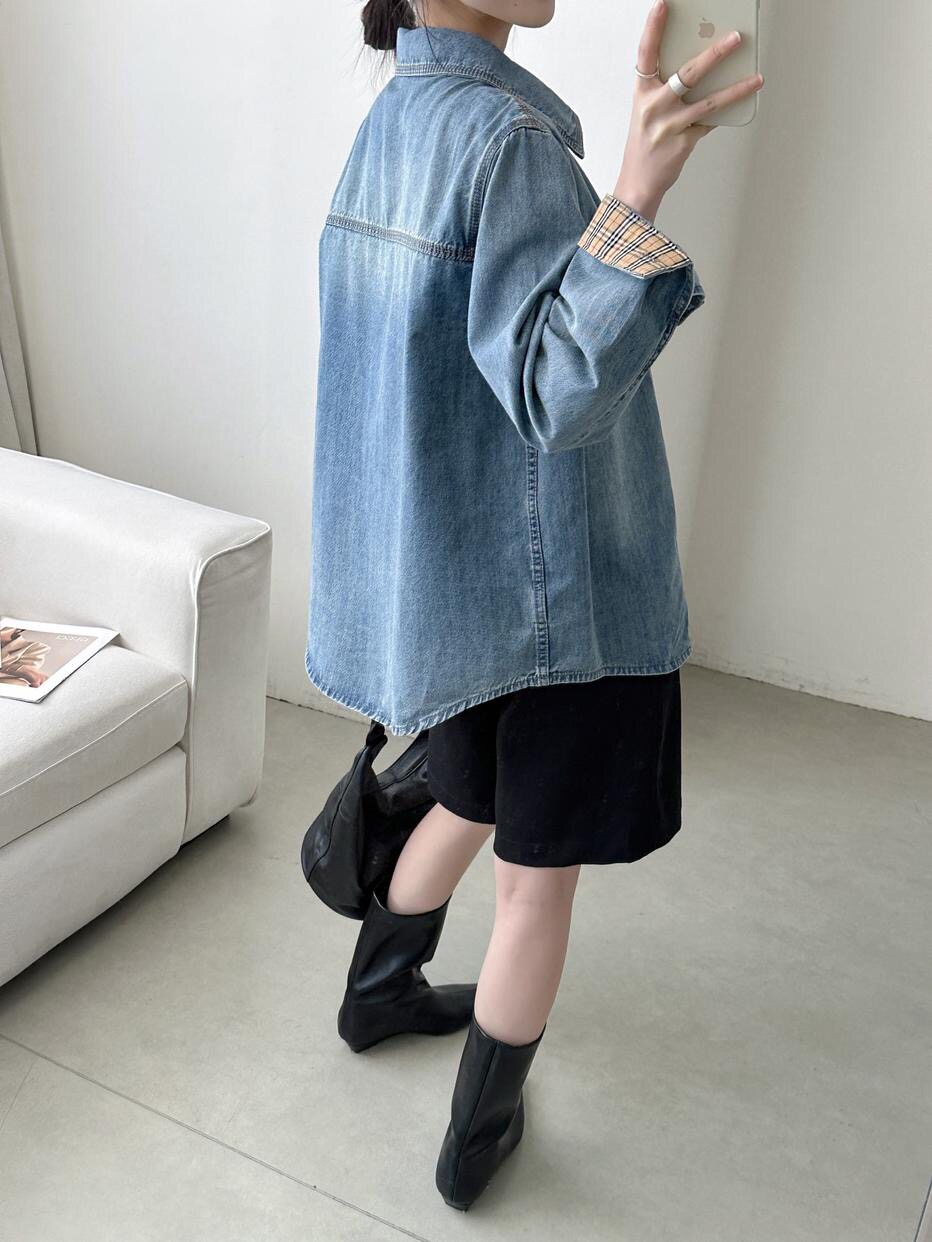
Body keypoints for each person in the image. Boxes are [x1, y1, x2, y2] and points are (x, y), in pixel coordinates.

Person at [306, 0, 763, 1211]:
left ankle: (375, 994)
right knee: (536, 881)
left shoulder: (394, 117)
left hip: (459, 585)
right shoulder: (508, 142)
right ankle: (478, 1141)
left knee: (465, 793)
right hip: (562, 591)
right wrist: (636, 195)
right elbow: (555, 392)